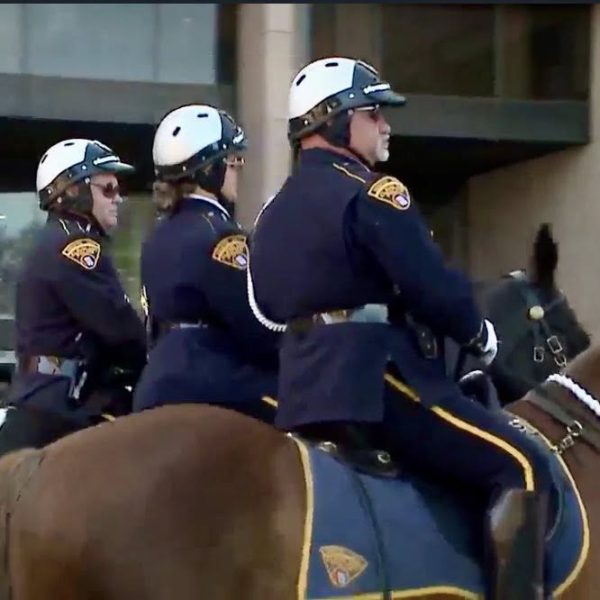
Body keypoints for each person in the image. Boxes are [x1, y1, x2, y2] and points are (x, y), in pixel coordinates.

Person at [248, 57, 554, 599]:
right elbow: (430, 285)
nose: (386, 125)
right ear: (335, 120)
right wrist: (479, 333)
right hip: (376, 382)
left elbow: (265, 309)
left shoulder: (271, 212)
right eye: (373, 113)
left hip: (299, 390)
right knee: (524, 466)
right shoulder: (373, 192)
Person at [132, 104, 279, 423]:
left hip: (153, 385)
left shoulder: (155, 236)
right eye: (233, 161)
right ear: (209, 170)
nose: (238, 170)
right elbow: (255, 328)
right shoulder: (221, 236)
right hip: (211, 383)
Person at [3, 138, 147, 455]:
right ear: (72, 191)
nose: (118, 198)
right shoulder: (77, 247)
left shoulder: (53, 240)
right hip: (62, 409)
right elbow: (120, 330)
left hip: (45, 399)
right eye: (107, 188)